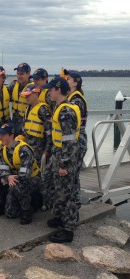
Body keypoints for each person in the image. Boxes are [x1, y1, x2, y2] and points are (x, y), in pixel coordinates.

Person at [42, 78, 81, 243]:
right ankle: (60, 217)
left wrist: (64, 164)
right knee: (57, 189)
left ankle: (68, 229)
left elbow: (70, 141)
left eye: (50, 89)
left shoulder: (65, 112)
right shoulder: (59, 108)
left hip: (65, 156)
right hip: (58, 154)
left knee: (66, 193)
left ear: (58, 90)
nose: (48, 92)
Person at [0, 123, 41, 225]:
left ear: (11, 136)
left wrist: (10, 178)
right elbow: (2, 168)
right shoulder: (3, 149)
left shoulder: (24, 150)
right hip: (15, 180)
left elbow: (24, 175)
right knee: (10, 213)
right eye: (0, 134)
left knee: (17, 185)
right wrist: (8, 177)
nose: (1, 137)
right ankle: (27, 202)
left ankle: (27, 210)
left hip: (33, 179)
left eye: (3, 135)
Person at [65, 69, 88, 213]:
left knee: (73, 173)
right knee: (73, 173)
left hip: (78, 140)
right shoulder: (72, 97)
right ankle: (75, 201)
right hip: (76, 138)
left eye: (68, 79)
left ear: (75, 83)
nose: (66, 81)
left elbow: (72, 124)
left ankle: (74, 204)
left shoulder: (76, 100)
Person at [21, 85, 52, 166]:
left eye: (28, 95)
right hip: (28, 149)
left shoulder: (43, 110)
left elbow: (49, 133)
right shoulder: (28, 109)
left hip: (39, 151)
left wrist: (46, 151)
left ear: (35, 94)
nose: (26, 97)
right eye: (25, 95)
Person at [8, 63, 34, 135]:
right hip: (14, 122)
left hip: (27, 123)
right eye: (18, 74)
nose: (19, 76)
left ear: (28, 74)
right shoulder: (13, 85)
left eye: (21, 74)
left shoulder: (33, 88)